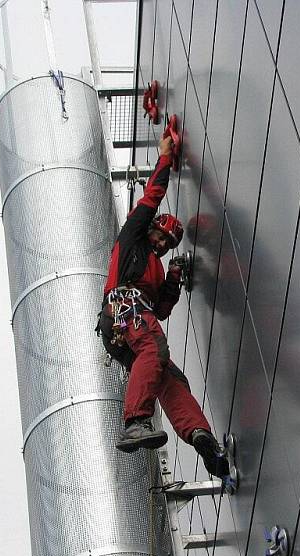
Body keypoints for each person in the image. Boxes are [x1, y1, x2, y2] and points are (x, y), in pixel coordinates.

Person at [96, 132, 229, 478]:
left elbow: (162, 310)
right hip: (124, 312)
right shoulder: (132, 238)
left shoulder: (155, 268)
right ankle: (136, 421)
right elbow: (152, 196)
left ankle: (200, 436)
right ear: (150, 228)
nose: (161, 242)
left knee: (170, 378)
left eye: (168, 242)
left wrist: (172, 279)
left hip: (132, 324)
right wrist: (166, 157)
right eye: (160, 235)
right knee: (156, 351)